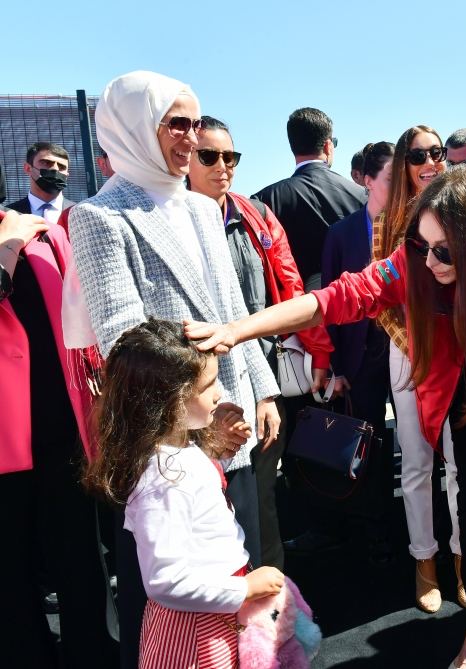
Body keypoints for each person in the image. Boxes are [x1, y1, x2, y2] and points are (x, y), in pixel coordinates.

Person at [187, 168, 466, 669]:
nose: (430, 260)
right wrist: (239, 330)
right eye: (422, 243)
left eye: (445, 251)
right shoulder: (416, 258)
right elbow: (332, 300)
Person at [67, 70, 281, 669]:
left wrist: (262, 388)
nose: (191, 137)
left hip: (229, 416)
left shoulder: (204, 207)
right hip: (169, 437)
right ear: (135, 127)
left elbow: (234, 307)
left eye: (195, 122)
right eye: (177, 123)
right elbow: (125, 342)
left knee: (237, 563)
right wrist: (199, 423)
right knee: (169, 595)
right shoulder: (99, 217)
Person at [85, 318, 287, 668]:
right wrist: (245, 590)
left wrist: (216, 454)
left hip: (210, 617)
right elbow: (166, 582)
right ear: (170, 400)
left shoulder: (175, 455)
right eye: (208, 384)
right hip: (193, 631)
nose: (219, 392)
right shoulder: (163, 482)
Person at [186, 114, 333, 569]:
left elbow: (290, 289)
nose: (223, 166)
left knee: (260, 497)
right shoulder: (168, 223)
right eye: (209, 156)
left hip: (259, 378)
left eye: (231, 156)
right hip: (192, 388)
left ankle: (268, 606)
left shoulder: (257, 216)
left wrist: (320, 355)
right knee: (201, 501)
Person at [0, 208, 117, 668]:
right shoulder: (18, 237)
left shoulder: (44, 235)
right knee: (10, 566)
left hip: (63, 426)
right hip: (5, 441)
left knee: (80, 555)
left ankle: (96, 654)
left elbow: (83, 322)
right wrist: (6, 250)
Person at [377, 124, 462, 614]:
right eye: (418, 155)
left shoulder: (460, 209)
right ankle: (424, 562)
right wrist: (413, 345)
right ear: (403, 163)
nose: (430, 161)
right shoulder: (387, 223)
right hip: (408, 353)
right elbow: (380, 301)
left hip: (460, 354)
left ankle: (463, 558)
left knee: (461, 464)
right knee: (416, 463)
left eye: (437, 152)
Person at [317, 141, 395, 562]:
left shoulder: (415, 227)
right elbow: (330, 302)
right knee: (367, 445)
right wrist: (332, 365)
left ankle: (418, 534)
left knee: (421, 448)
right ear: (367, 181)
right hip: (359, 356)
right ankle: (373, 532)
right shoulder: (341, 233)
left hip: (405, 355)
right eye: (389, 178)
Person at [252, 107, 366, 290]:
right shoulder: (361, 195)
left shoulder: (264, 200)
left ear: (293, 146)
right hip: (354, 305)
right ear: (328, 146)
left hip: (296, 309)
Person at [8, 141, 75, 221]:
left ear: (67, 175)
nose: (55, 169)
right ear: (28, 168)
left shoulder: (78, 212)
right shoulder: (8, 215)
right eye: (46, 163)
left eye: (62, 167)